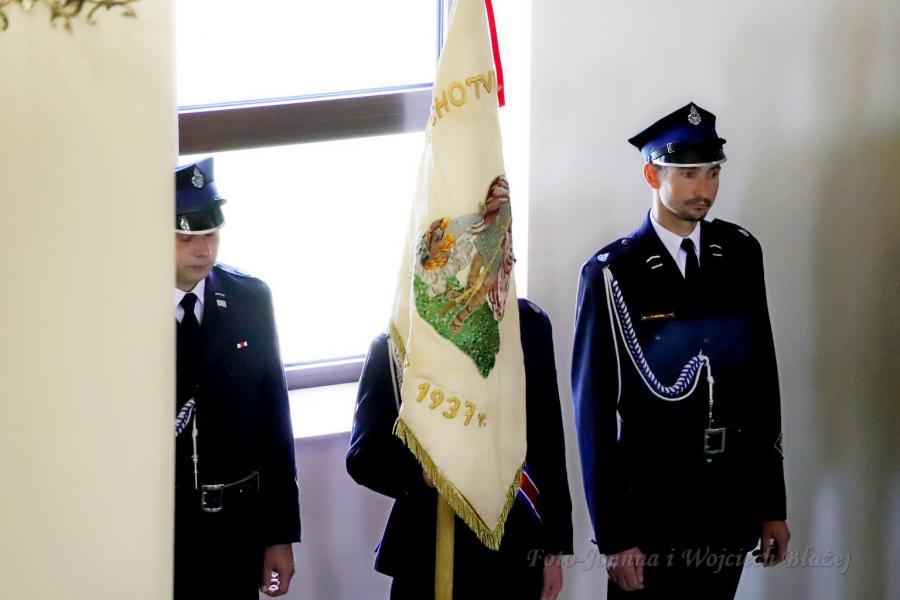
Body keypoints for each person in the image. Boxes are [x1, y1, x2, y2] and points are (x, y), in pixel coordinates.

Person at [572, 103, 790, 599]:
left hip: (729, 501)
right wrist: (614, 535)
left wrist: (771, 504)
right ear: (653, 175)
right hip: (652, 509)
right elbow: (594, 417)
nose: (704, 189)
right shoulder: (613, 272)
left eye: (713, 173)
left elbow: (762, 383)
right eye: (688, 174)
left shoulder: (739, 253)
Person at [347, 299, 574, 599]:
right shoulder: (397, 342)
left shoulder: (528, 325)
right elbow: (364, 456)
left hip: (514, 545)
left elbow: (547, 443)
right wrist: (424, 472)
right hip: (427, 549)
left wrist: (553, 549)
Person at [173, 158, 301, 598]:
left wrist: (279, 536)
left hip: (237, 529)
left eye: (211, 234)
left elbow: (275, 423)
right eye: (186, 237)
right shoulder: (124, 306)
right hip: (163, 530)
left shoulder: (250, 299)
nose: (203, 251)